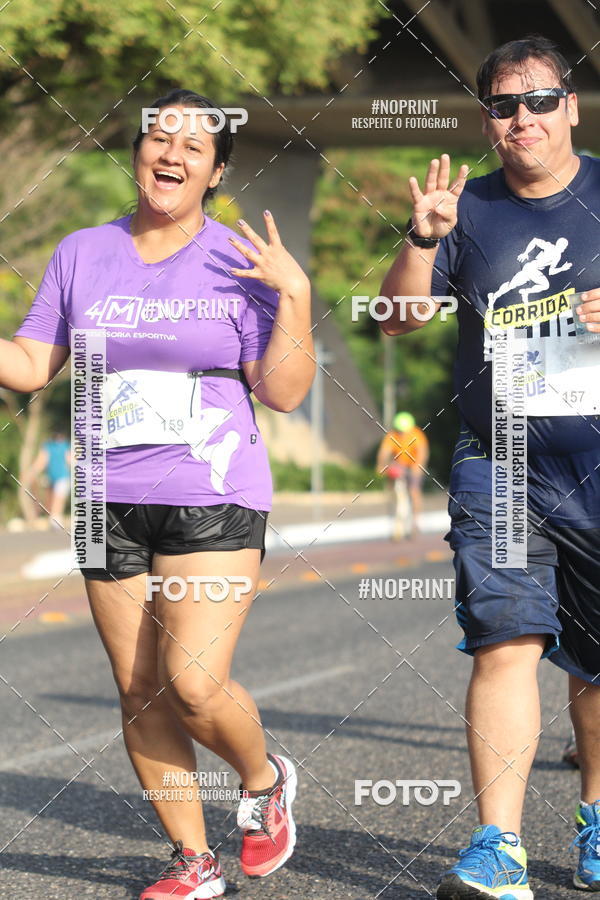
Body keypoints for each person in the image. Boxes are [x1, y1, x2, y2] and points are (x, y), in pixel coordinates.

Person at [3, 88, 314, 899]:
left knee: (194, 684)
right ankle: (193, 862)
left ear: (214, 171)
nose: (170, 152)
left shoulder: (237, 260)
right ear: (137, 151)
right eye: (158, 137)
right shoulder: (81, 252)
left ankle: (262, 781)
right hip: (108, 495)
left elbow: (281, 393)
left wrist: (295, 297)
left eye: (192, 145)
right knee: (139, 690)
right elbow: (34, 368)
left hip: (211, 491)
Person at [379, 35, 600, 899]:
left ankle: (595, 820)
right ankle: (498, 845)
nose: (524, 119)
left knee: (593, 667)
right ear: (488, 121)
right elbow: (398, 318)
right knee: (506, 640)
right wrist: (422, 238)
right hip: (498, 460)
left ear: (571, 107)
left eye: (541, 100)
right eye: (506, 106)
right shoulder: (462, 208)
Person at [375, 411, 429, 537]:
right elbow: (384, 452)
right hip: (400, 465)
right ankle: (396, 522)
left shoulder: (417, 434)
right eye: (400, 431)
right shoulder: (392, 435)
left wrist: (418, 466)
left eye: (404, 431)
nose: (402, 434)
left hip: (414, 464)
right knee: (394, 491)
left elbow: (422, 452)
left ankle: (415, 522)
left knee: (414, 491)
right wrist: (380, 465)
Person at [28, 429, 71, 527]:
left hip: (63, 477)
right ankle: (54, 519)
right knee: (50, 502)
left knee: (58, 499)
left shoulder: (66, 446)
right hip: (51, 478)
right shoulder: (48, 446)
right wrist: (32, 472)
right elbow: (41, 461)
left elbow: (70, 460)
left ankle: (56, 521)